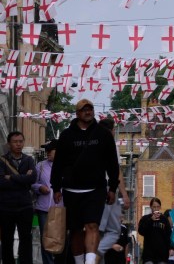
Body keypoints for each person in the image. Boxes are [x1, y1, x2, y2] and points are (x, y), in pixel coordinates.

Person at [51, 99, 120, 264]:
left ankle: (90, 262)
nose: (88, 112)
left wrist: (112, 188)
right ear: (77, 114)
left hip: (96, 189)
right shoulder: (67, 135)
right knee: (75, 230)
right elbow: (58, 163)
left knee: (92, 226)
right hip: (72, 189)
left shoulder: (103, 134)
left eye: (90, 109)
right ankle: (79, 261)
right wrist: (56, 187)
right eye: (84, 110)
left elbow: (112, 162)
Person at [0, 130, 37, 264]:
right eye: (15, 142)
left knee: (26, 238)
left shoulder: (29, 160)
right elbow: (1, 182)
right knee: (6, 239)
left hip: (25, 205)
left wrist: (11, 177)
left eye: (21, 141)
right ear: (9, 144)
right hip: (6, 206)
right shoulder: (2, 160)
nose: (18, 144)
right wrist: (23, 178)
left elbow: (32, 179)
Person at [33, 141, 57, 264]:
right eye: (46, 150)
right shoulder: (40, 166)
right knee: (45, 240)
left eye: (50, 150)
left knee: (59, 239)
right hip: (43, 209)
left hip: (60, 209)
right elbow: (33, 183)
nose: (47, 153)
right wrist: (40, 188)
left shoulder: (68, 166)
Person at [138, 198, 172, 264]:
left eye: (158, 207)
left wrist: (171, 248)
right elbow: (141, 231)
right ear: (151, 207)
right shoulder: (145, 218)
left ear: (160, 207)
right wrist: (151, 220)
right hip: (149, 254)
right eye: (154, 207)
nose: (156, 209)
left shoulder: (164, 219)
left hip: (162, 254)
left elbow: (169, 234)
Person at [98, 196, 126, 264]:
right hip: (108, 257)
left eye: (122, 216)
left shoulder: (124, 228)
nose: (121, 218)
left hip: (120, 259)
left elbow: (126, 244)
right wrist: (112, 246)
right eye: (119, 216)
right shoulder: (106, 226)